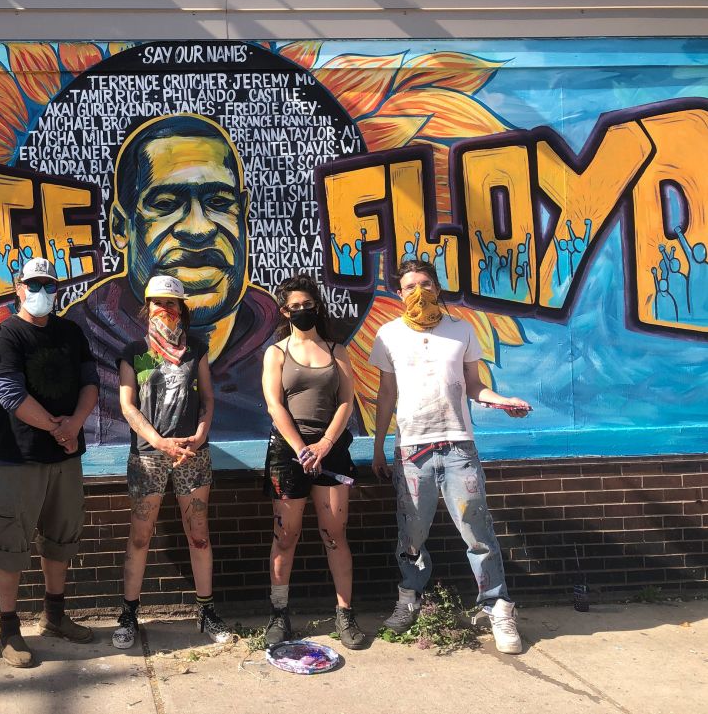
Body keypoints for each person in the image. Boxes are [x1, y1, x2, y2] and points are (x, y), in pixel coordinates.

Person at [50, 113, 279, 447]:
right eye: (166, 204)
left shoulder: (284, 350)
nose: (199, 229)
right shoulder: (76, 345)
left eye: (219, 202)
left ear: (243, 214)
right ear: (119, 228)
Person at [370, 259, 531, 655]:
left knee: (477, 532)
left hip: (459, 446)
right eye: (409, 286)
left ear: (437, 287)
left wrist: (502, 400)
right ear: (398, 292)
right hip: (411, 451)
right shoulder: (388, 335)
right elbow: (386, 395)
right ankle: (410, 597)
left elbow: (474, 386)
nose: (418, 291)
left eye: (425, 283)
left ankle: (497, 607)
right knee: (412, 533)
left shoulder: (461, 330)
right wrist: (378, 446)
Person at [0, 257, 100, 667]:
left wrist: (76, 425)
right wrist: (59, 429)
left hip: (66, 456)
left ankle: (54, 615)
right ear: (18, 288)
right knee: (12, 540)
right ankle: (9, 628)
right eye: (33, 284)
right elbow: (9, 394)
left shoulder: (71, 332)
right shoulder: (5, 336)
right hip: (20, 456)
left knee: (60, 538)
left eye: (49, 285)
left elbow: (90, 383)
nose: (42, 293)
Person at [112, 275, 233, 649]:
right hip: (149, 457)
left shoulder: (197, 349)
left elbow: (209, 399)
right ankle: (129, 613)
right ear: (146, 307)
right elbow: (127, 405)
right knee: (140, 536)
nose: (166, 310)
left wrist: (200, 433)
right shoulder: (134, 352)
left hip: (192, 456)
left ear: (182, 309)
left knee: (198, 535)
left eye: (173, 303)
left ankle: (206, 610)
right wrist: (158, 442)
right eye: (159, 303)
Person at [261, 274, 367, 650]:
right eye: (295, 306)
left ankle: (344, 613)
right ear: (284, 310)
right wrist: (300, 447)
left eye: (309, 305)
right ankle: (279, 613)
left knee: (334, 535)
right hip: (287, 455)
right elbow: (274, 404)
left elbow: (346, 402)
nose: (302, 311)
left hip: (332, 451)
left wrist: (323, 445)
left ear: (316, 306)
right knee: (285, 536)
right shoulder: (276, 353)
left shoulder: (337, 350)